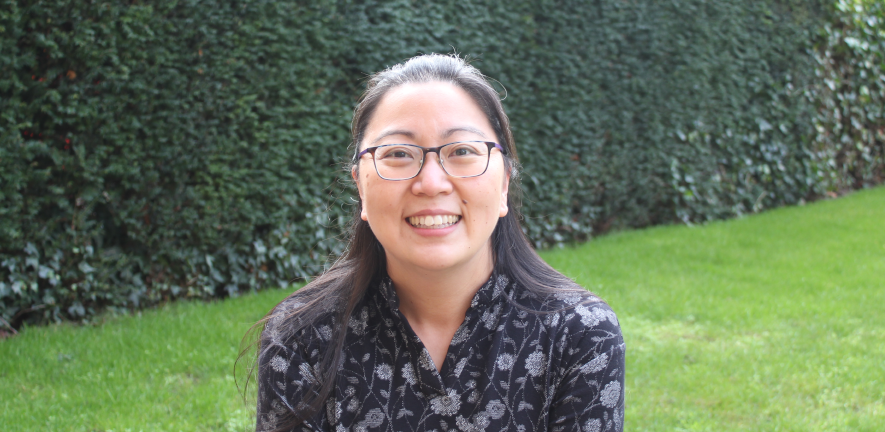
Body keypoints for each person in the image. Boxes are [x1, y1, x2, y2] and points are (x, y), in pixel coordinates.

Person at [252, 53, 625, 432]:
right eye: (397, 153)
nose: (431, 183)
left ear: (504, 185)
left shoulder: (579, 335)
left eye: (462, 151)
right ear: (360, 185)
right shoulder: (302, 337)